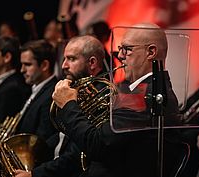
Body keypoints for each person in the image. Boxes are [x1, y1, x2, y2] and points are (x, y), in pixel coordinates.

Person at [52, 23, 184, 177]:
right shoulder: (148, 90)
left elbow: (97, 145)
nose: (120, 55)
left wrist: (68, 104)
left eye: (127, 49)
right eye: (120, 49)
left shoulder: (144, 96)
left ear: (151, 52)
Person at [14, 35, 105, 177]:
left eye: (72, 59)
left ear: (92, 63)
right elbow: (59, 137)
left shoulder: (101, 96)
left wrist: (34, 174)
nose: (64, 66)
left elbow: (76, 155)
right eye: (64, 59)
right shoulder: (76, 89)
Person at [0, 39, 59, 176]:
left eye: (27, 65)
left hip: (24, 165)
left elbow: (40, 142)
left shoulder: (51, 94)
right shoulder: (37, 89)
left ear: (44, 65)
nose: (22, 70)